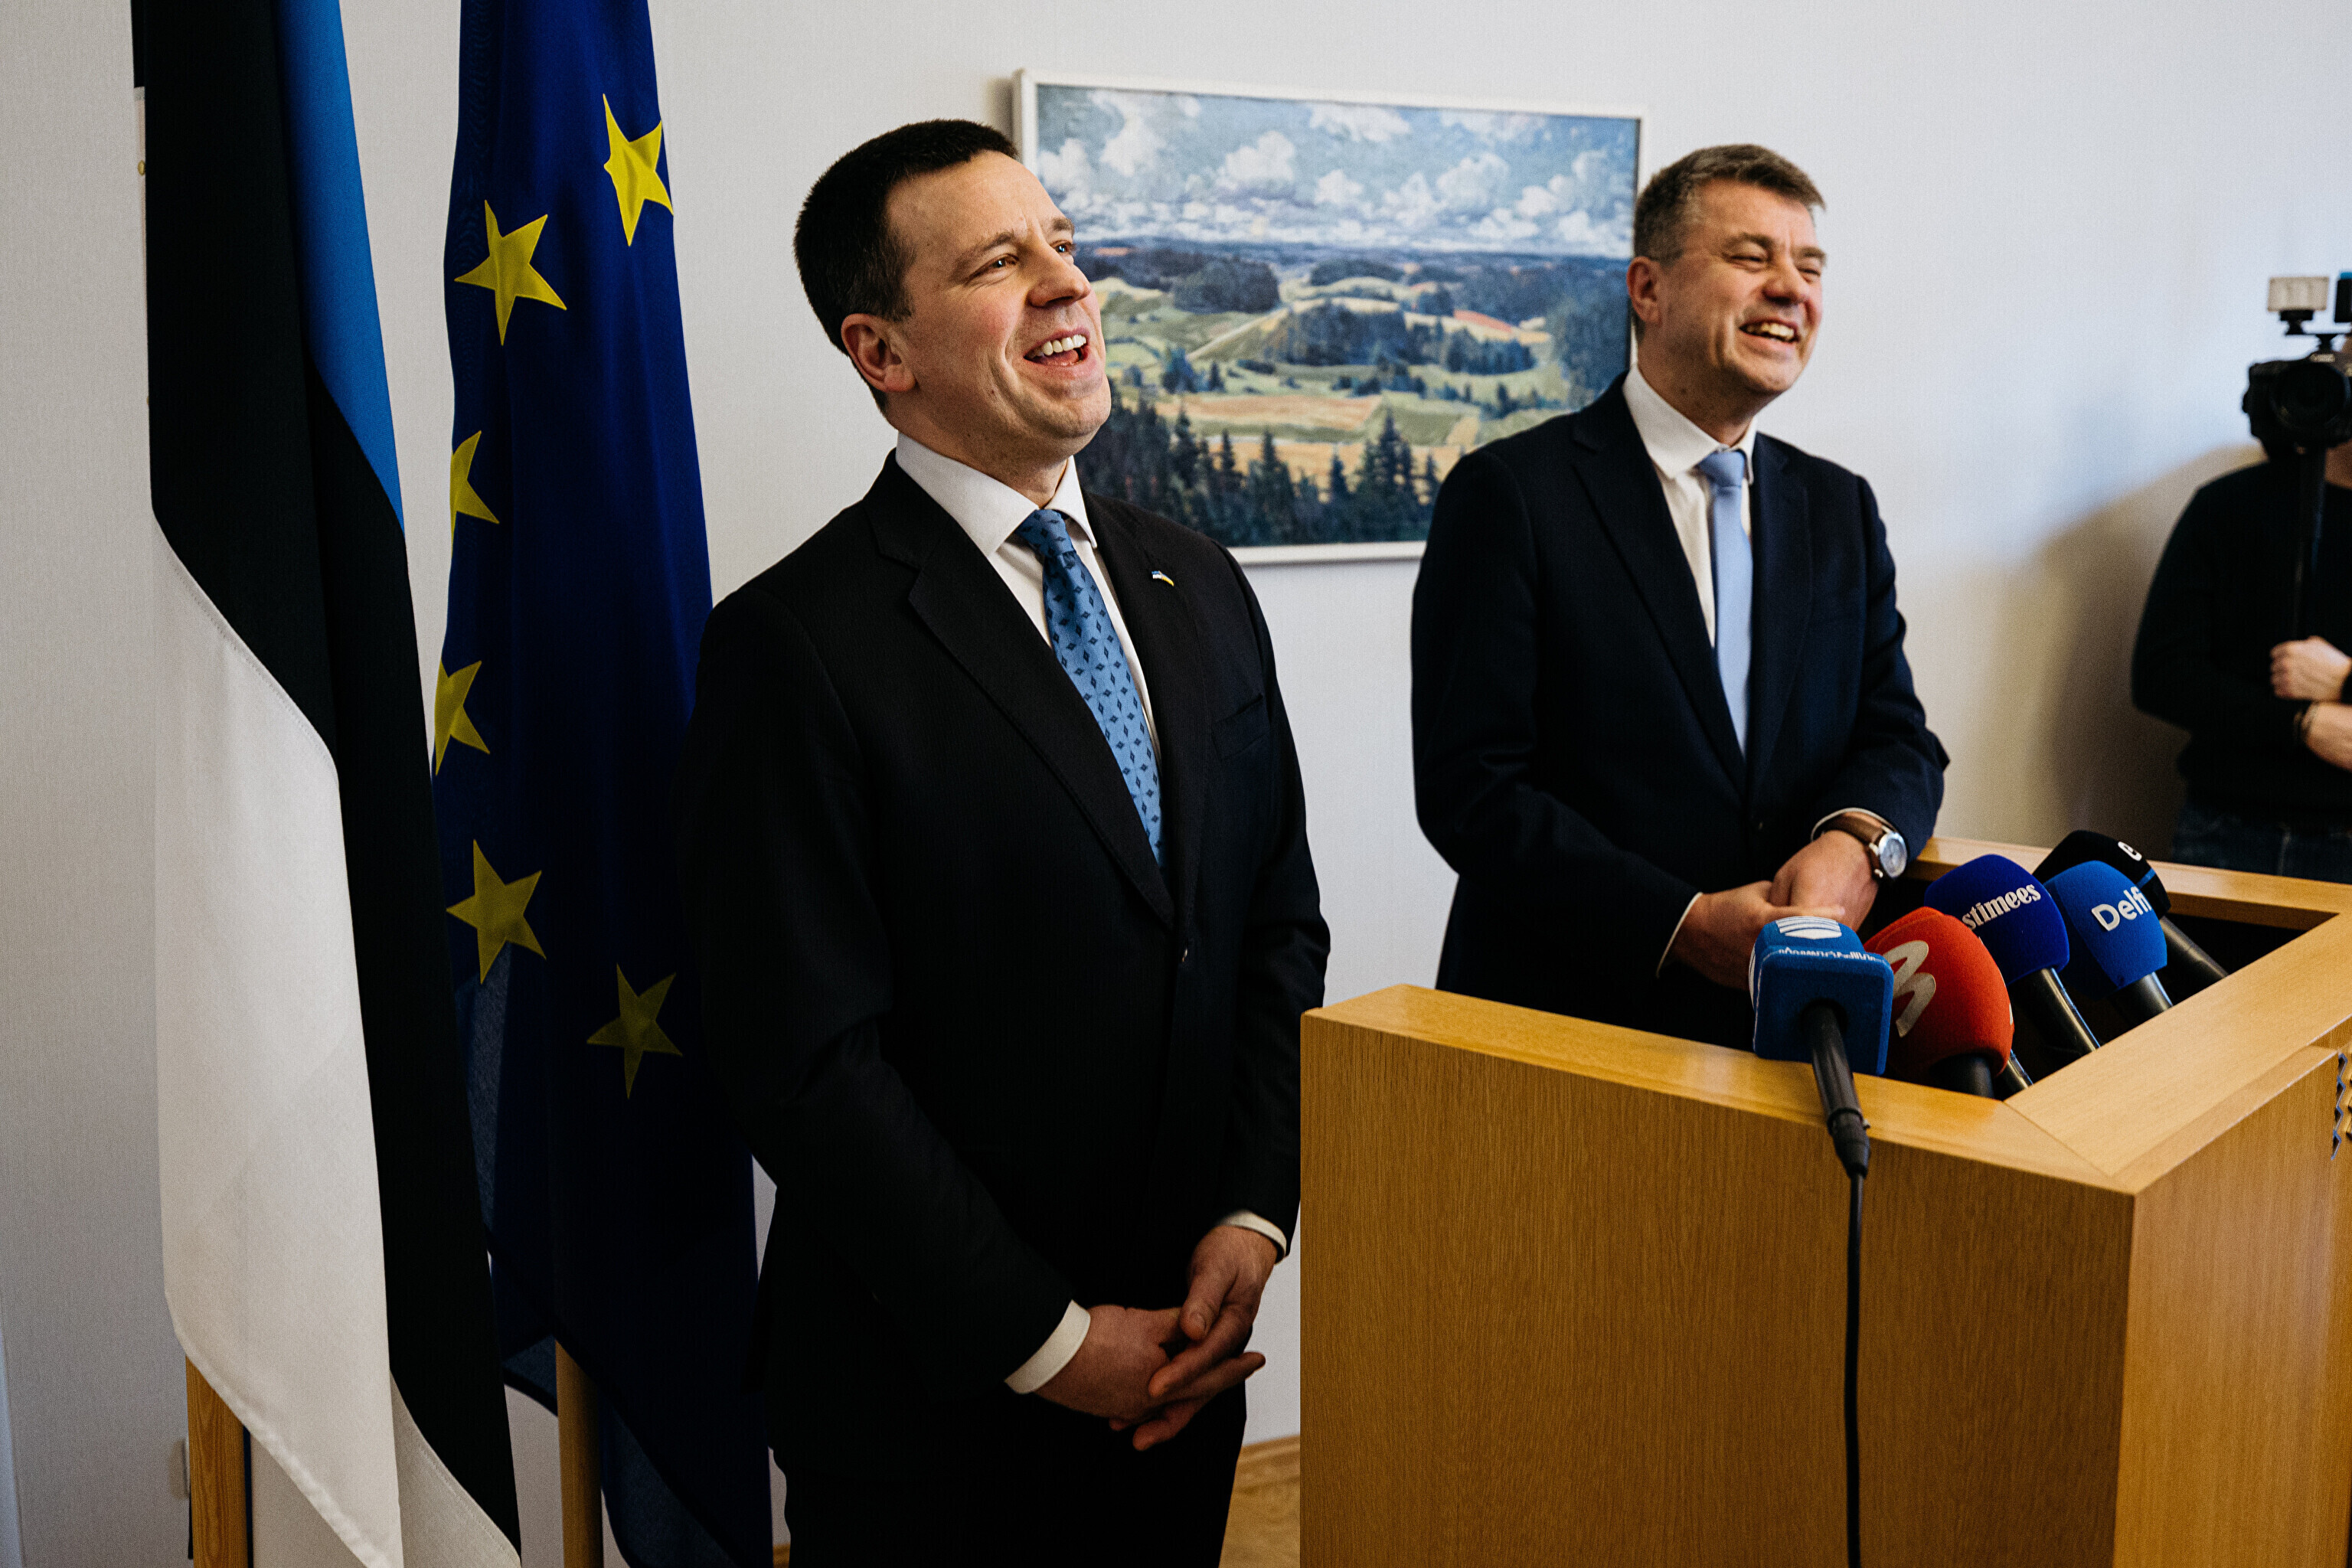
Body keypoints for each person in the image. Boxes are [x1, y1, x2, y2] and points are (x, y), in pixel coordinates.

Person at [671, 120, 1327, 1565]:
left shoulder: (1198, 579)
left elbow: (1275, 924)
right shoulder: (793, 644)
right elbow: (805, 1062)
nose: (1065, 283)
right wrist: (1051, 1340)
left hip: (1189, 1363)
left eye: (1063, 245)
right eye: (997, 263)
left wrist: (1252, 1210)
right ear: (880, 350)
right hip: (937, 1405)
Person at [1411, 144, 1945, 1048]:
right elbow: (1471, 789)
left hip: (1790, 1032)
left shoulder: (1838, 506)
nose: (1791, 288)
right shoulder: (1512, 495)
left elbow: (1897, 734)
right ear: (1648, 289)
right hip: (1571, 1033)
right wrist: (1681, 922)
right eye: (1752, 256)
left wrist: (1859, 840)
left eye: (1810, 267)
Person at [2132, 422, 2352, 881]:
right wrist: (2301, 723)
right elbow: (2163, 675)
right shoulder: (2230, 505)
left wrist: (2345, 681)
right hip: (2226, 830)